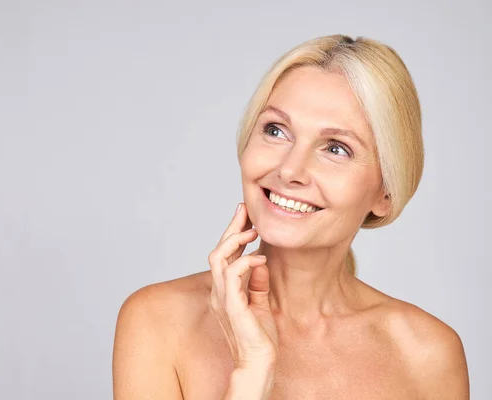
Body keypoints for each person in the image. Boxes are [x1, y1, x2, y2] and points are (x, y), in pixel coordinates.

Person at [112, 34, 469, 399]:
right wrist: (252, 371)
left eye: (336, 148)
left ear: (385, 193)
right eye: (276, 130)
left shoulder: (429, 353)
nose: (290, 170)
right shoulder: (158, 321)